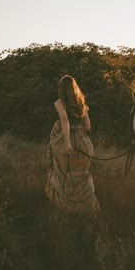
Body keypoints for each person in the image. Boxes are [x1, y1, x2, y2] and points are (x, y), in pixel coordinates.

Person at [45, 75, 100, 218]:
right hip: (82, 142)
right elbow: (87, 126)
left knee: (63, 174)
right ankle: (86, 210)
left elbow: (64, 119)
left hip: (67, 140)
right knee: (81, 175)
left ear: (62, 89)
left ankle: (66, 209)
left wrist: (68, 144)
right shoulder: (81, 101)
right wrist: (83, 137)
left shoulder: (59, 103)